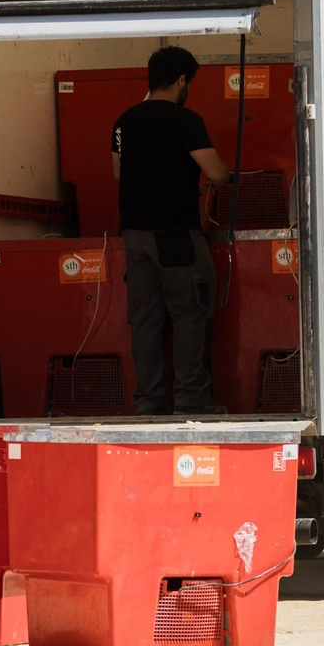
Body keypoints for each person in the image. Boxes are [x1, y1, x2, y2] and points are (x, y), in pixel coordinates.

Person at [111, 46, 231, 416]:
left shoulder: (123, 122)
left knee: (145, 321)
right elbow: (216, 173)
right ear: (181, 81)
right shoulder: (185, 121)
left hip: (134, 236)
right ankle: (191, 400)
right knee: (190, 314)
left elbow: (118, 174)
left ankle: (148, 402)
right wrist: (225, 175)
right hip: (176, 236)